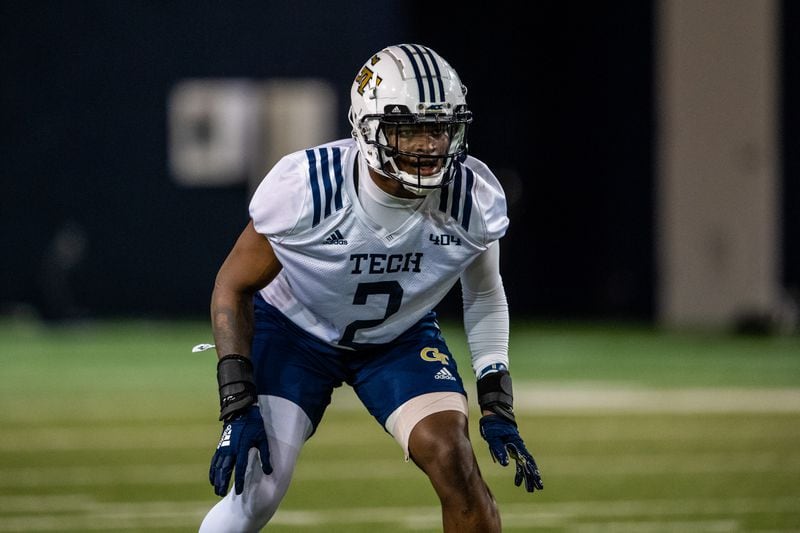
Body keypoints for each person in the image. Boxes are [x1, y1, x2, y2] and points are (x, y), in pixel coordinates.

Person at [198, 43, 543, 533]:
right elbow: (232, 285)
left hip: (398, 337)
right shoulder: (307, 188)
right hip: (294, 330)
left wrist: (496, 399)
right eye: (410, 128)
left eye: (440, 128)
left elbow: (485, 294)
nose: (428, 145)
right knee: (257, 490)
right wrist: (236, 401)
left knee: (454, 460)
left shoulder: (473, 197)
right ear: (366, 126)